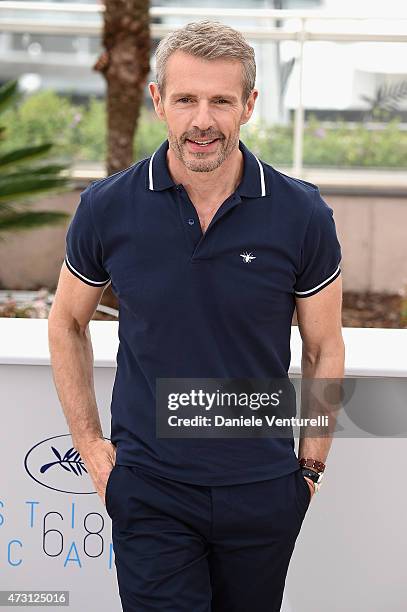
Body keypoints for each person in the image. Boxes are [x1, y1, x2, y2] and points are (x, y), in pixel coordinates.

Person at [48, 20, 345, 612]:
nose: (202, 120)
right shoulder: (107, 209)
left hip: (262, 490)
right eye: (185, 98)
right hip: (150, 489)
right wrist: (89, 444)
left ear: (249, 106)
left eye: (221, 101)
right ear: (158, 100)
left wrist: (308, 469)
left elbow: (323, 348)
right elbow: (66, 322)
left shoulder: (302, 213)